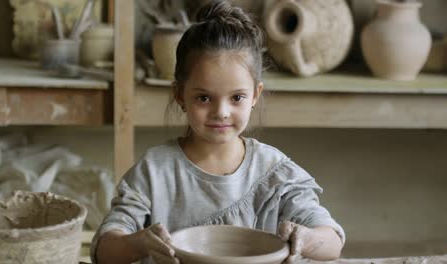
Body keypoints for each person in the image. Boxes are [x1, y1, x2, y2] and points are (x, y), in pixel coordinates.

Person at [91, 1, 345, 263]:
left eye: (237, 97)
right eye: (204, 98)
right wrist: (138, 243)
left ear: (255, 95)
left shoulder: (275, 174)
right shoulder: (154, 172)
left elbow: (333, 242)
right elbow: (104, 249)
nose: (221, 112)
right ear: (179, 94)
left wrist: (308, 240)